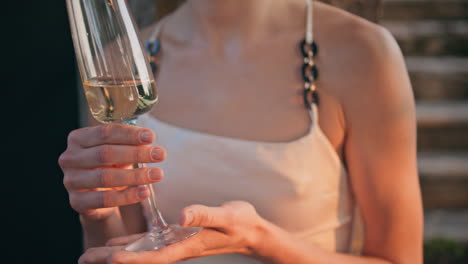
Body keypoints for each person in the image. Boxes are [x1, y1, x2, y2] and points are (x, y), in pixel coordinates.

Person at [59, 0, 423, 263]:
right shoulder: (124, 61)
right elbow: (121, 248)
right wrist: (99, 215)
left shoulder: (362, 53)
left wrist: (258, 240)